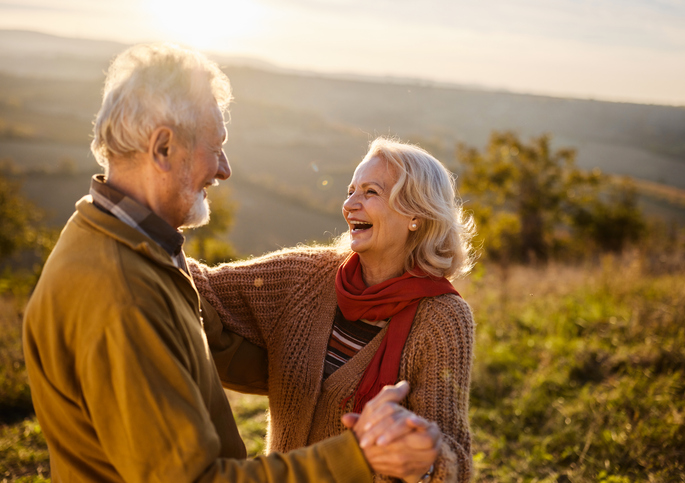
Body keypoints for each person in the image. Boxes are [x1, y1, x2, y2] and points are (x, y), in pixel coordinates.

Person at [22, 43, 440, 482]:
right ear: (163, 147)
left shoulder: (124, 245)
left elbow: (211, 352)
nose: (224, 169)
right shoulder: (124, 297)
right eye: (215, 146)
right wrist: (359, 458)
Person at [190, 138, 476, 482]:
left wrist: (422, 459)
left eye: (370, 192)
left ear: (416, 214)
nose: (350, 205)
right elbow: (201, 286)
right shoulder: (307, 277)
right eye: (350, 190)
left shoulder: (443, 318)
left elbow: (453, 454)